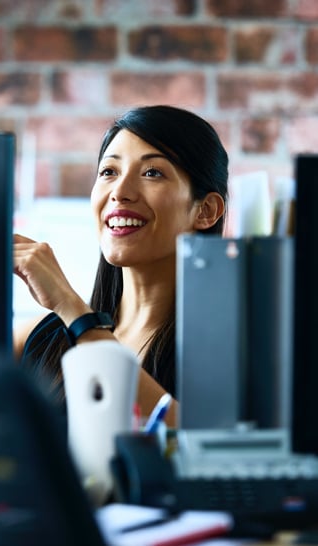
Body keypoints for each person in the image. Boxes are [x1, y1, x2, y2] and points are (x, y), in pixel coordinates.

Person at [13, 104, 228, 429]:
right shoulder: (38, 339)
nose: (120, 192)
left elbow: (195, 447)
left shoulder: (225, 351)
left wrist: (71, 308)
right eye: (109, 172)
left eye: (152, 173)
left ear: (206, 211)